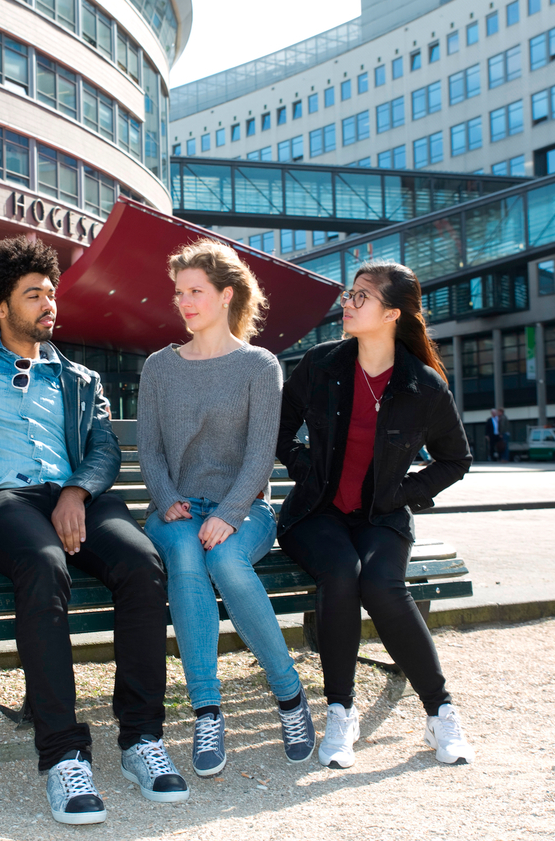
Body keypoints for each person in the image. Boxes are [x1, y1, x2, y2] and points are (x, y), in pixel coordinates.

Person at [0, 236, 188, 826]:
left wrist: (77, 491)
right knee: (45, 564)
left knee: (143, 563)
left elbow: (102, 446)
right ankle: (63, 755)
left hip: (73, 493)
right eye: (33, 295)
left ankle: (142, 740)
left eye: (51, 293)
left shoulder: (78, 377)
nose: (49, 303)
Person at [276, 262, 476, 769]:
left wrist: (402, 493)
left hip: (381, 517)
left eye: (361, 297)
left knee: (384, 584)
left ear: (390, 313)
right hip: (315, 514)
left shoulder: (423, 386)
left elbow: (456, 458)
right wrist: (308, 471)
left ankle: (441, 711)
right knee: (342, 573)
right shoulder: (321, 364)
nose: (348, 302)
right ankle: (341, 710)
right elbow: (278, 431)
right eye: (350, 293)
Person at [137, 240, 314, 777]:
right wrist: (168, 500)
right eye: (179, 293)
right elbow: (149, 449)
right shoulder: (158, 367)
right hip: (177, 511)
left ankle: (289, 698)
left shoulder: (259, 365)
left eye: (196, 291)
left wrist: (231, 512)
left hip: (245, 511)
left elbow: (262, 453)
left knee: (226, 560)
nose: (185, 302)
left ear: (226, 295)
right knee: (190, 558)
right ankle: (207, 710)